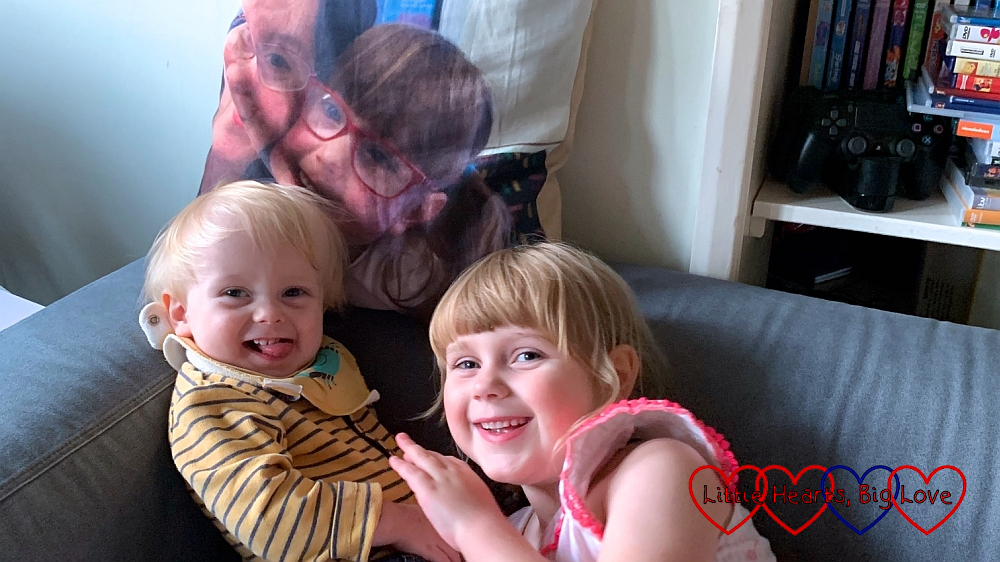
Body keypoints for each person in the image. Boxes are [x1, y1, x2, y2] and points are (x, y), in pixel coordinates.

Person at [388, 242, 776, 562]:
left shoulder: (661, 470)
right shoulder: (520, 530)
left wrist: (475, 526)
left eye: (527, 355)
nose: (485, 386)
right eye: (466, 363)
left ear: (616, 375)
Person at [139, 180, 458, 562]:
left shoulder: (314, 368)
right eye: (235, 293)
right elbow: (267, 520)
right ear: (182, 314)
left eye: (293, 293)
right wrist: (401, 521)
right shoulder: (212, 400)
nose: (269, 314)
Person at [224, 22, 511, 316]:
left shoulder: (414, 277)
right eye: (332, 111)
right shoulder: (250, 202)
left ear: (413, 211)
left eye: (378, 156)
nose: (329, 155)